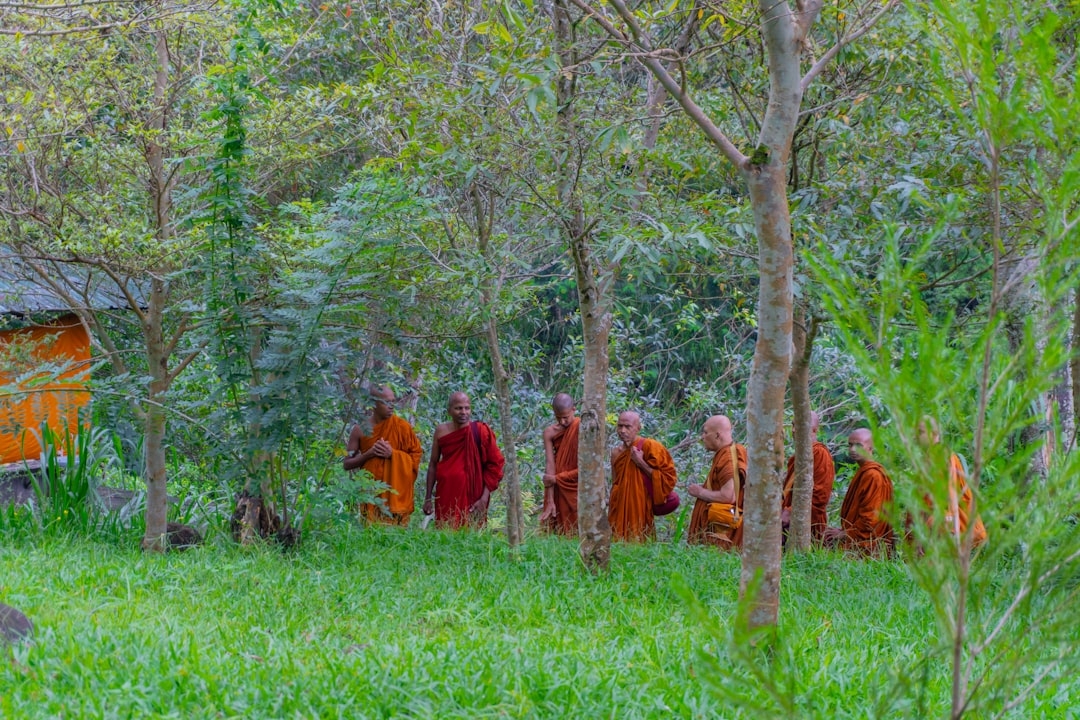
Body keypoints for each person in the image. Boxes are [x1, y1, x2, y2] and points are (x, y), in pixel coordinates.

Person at [422, 392, 505, 529]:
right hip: (446, 492)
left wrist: (484, 498)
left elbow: (495, 465)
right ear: (449, 410)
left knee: (471, 534)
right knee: (445, 530)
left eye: (467, 408)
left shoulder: (480, 431)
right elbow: (433, 464)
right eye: (458, 408)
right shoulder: (441, 431)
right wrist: (428, 498)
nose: (463, 412)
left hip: (474, 494)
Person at [344, 385, 423, 526]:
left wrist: (393, 454)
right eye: (386, 402)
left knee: (396, 538)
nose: (391, 406)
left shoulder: (402, 427)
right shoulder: (360, 429)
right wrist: (368, 454)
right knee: (370, 534)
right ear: (373, 404)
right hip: (370, 491)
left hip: (396, 492)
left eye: (393, 401)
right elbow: (346, 464)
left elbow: (416, 456)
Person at [822, 428, 895, 556]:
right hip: (856, 535)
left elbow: (871, 520)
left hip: (867, 545)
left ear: (870, 447)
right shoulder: (864, 471)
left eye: (859, 445)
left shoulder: (873, 475)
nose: (852, 450)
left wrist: (844, 534)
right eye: (850, 445)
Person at [917, 417, 988, 549]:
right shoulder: (929, 458)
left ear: (933, 434)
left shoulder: (943, 456)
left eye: (920, 432)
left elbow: (951, 498)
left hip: (956, 527)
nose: (916, 438)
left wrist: (953, 531)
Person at [608, 411, 677, 541]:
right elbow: (615, 483)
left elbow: (669, 478)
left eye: (628, 427)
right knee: (617, 543)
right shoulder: (616, 453)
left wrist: (641, 463)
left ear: (638, 428)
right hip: (619, 506)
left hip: (640, 504)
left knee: (639, 540)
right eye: (620, 426)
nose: (622, 430)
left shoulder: (650, 447)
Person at [686, 415, 747, 550]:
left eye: (706, 432)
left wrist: (699, 492)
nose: (702, 437)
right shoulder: (726, 453)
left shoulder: (729, 458)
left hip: (722, 532)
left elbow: (727, 496)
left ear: (717, 435)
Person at [780, 410, 836, 542]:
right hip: (785, 523)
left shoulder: (819, 453)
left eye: (799, 425)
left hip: (807, 524)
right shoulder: (796, 458)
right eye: (793, 425)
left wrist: (790, 512)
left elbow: (819, 496)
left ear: (814, 430)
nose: (794, 430)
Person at [540, 393, 579, 536]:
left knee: (577, 531)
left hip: (576, 484)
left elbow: (588, 467)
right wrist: (550, 500)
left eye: (565, 417)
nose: (562, 421)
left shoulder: (582, 427)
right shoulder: (550, 432)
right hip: (557, 487)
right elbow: (550, 465)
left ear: (574, 410)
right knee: (557, 532)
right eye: (558, 417)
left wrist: (558, 478)